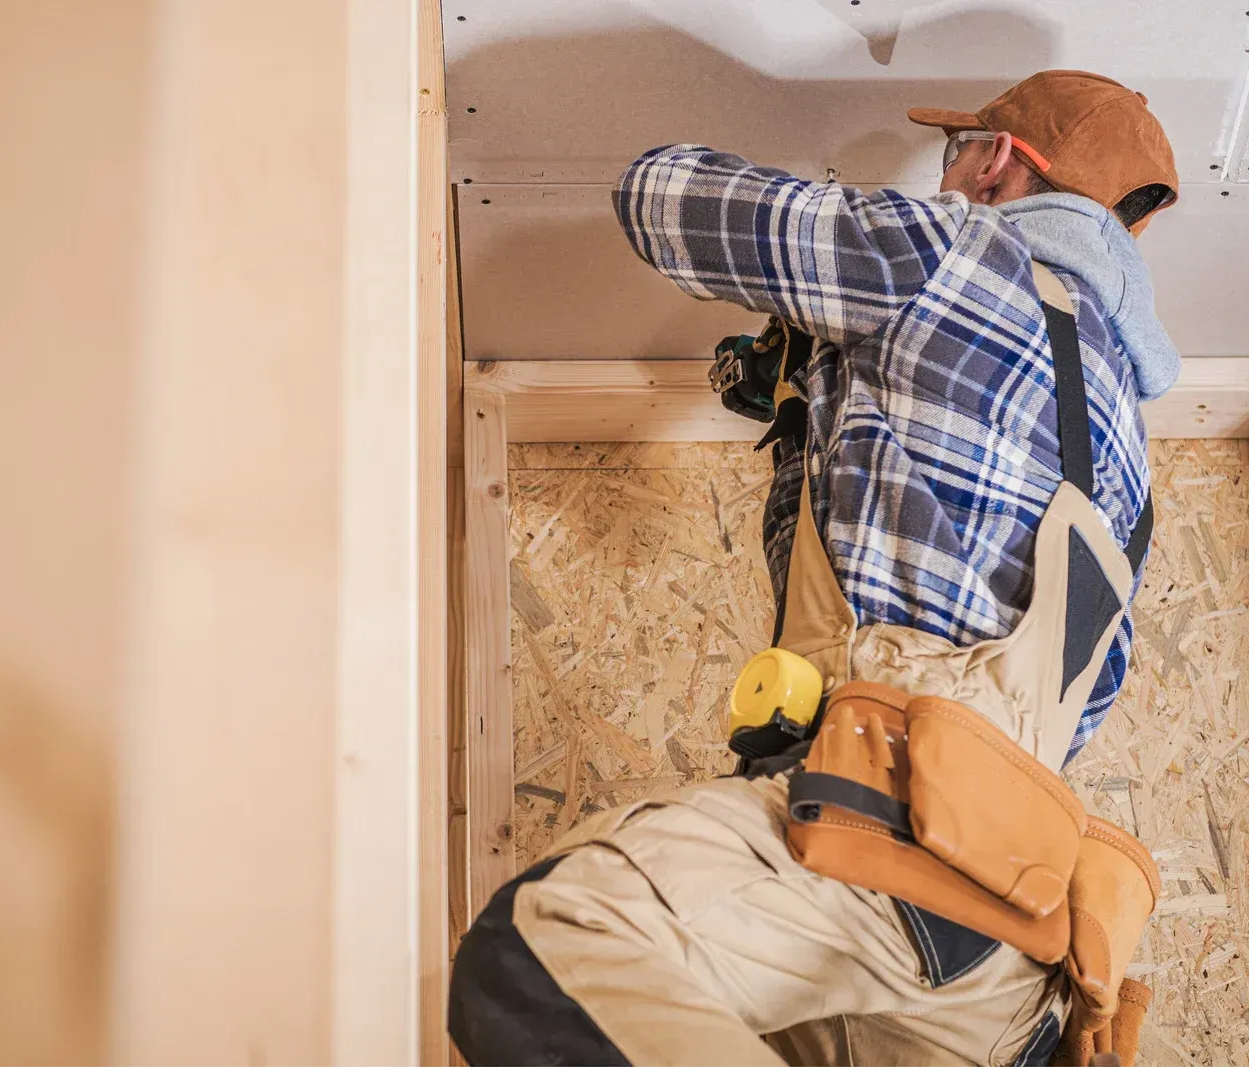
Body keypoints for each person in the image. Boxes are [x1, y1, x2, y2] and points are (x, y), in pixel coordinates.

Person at [448, 70, 1177, 1066]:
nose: (947, 171)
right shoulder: (1128, 460)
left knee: (558, 944)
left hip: (876, 816)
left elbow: (660, 196)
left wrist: (856, 249)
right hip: (1011, 927)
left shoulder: (956, 250)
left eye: (957, 151)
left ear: (1001, 163)